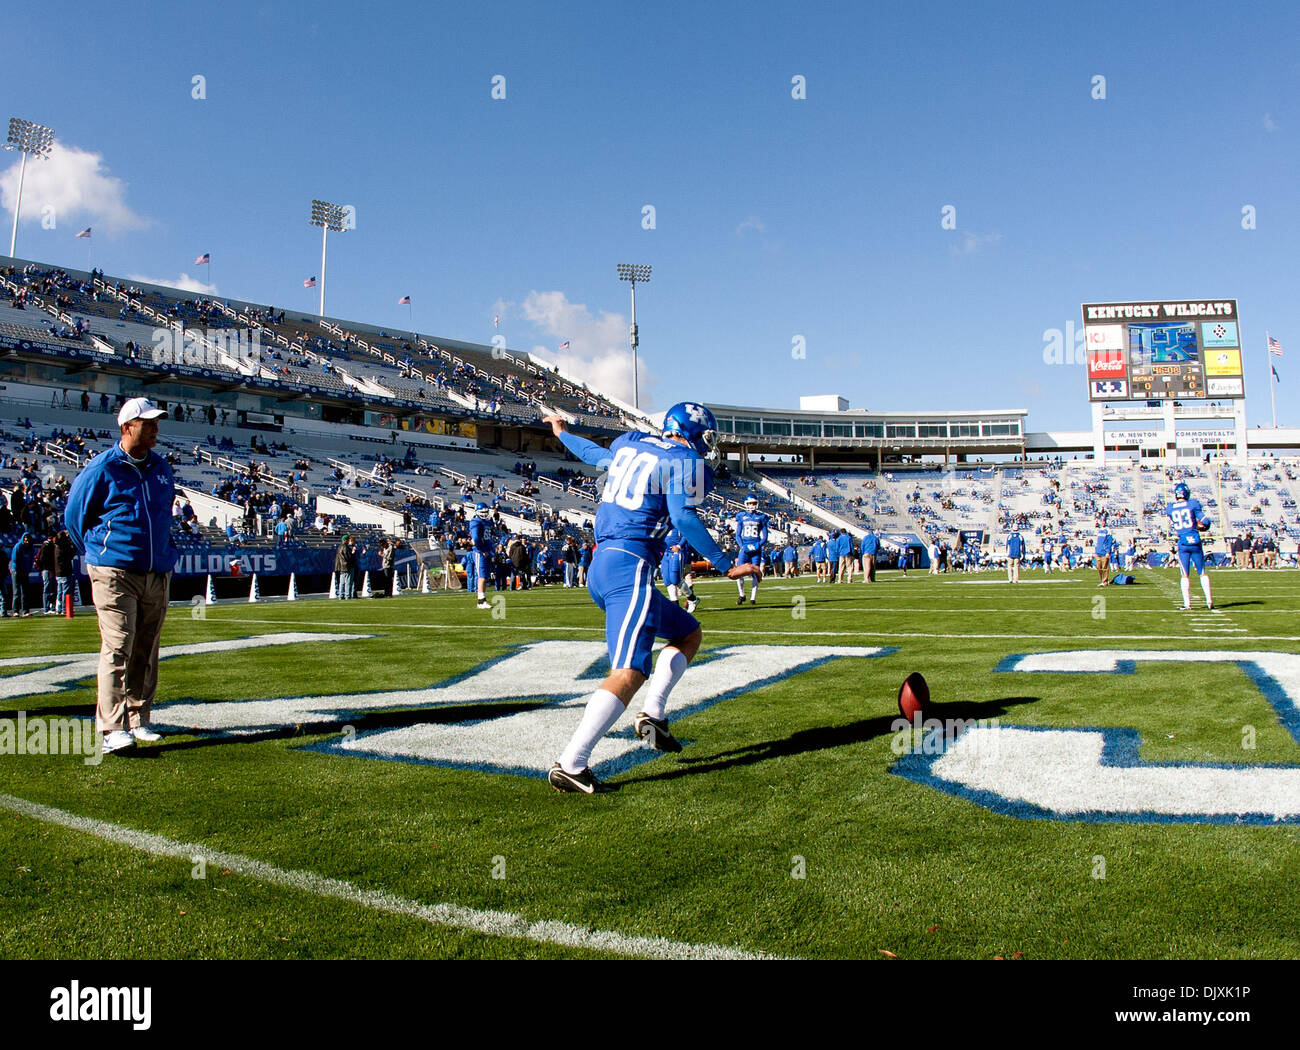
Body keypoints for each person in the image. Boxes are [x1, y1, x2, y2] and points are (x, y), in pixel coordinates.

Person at [541, 403, 760, 793]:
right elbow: (684, 518)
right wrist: (727, 564)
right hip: (631, 566)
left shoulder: (631, 443)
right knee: (629, 671)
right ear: (694, 433)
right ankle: (572, 764)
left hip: (605, 563)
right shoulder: (688, 462)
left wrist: (561, 433)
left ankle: (653, 715)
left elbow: (596, 455)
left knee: (688, 632)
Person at [63, 397, 177, 754]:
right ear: (127, 426)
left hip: (156, 571)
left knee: (147, 648)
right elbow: (73, 517)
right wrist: (100, 555)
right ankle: (112, 727)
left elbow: (163, 516)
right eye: (148, 423)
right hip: (115, 571)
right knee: (118, 646)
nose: (155, 428)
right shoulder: (102, 468)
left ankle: (139, 718)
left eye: (156, 422)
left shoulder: (161, 467)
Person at [1168, 481, 1213, 611]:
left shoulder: (1170, 508)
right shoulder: (1193, 504)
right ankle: (1209, 601)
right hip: (1195, 541)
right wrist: (1202, 527)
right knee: (1202, 572)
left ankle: (1187, 604)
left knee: (1184, 574)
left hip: (1183, 543)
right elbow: (1205, 521)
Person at [732, 495, 768, 605]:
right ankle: (742, 594)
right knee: (738, 573)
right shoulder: (741, 516)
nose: (752, 505)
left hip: (756, 548)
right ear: (746, 504)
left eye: (754, 503)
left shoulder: (761, 517)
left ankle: (753, 598)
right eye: (750, 503)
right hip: (745, 548)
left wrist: (758, 545)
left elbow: (765, 536)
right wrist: (742, 546)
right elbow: (737, 535)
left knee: (756, 573)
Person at [9, 532, 35, 617]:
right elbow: (14, 560)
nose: (27, 541)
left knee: (25, 592)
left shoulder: (31, 548)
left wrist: (27, 571)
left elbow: (31, 560)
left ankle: (25, 611)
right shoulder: (18, 546)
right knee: (16, 592)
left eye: (28, 539)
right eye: (25, 539)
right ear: (23, 539)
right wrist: (17, 571)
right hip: (16, 572)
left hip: (25, 572)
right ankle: (15, 611)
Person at [1094, 520, 1114, 587]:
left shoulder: (1108, 530)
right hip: (1098, 551)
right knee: (1099, 567)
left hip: (1104, 552)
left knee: (1105, 567)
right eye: (1102, 521)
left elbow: (1109, 541)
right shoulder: (1099, 530)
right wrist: (1096, 551)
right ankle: (1102, 580)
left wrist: (1108, 552)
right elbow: (1097, 542)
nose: (1103, 523)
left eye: (1104, 521)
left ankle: (1104, 581)